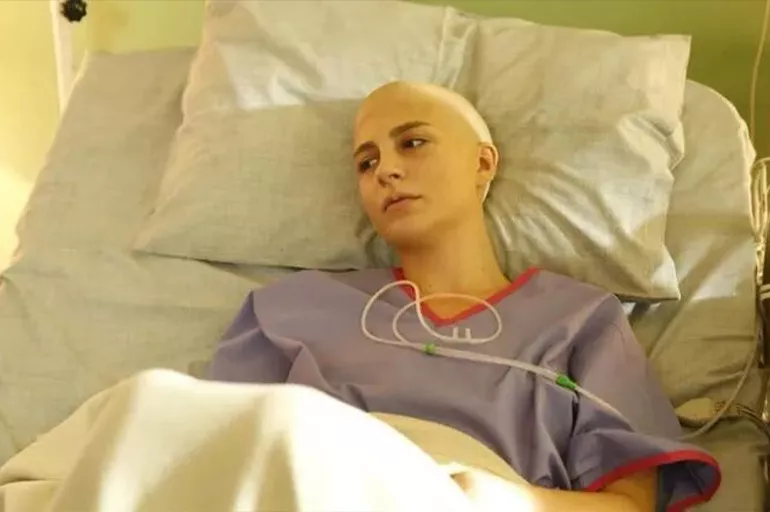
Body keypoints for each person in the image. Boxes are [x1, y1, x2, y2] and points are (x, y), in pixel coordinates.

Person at [208, 81, 721, 511]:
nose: (385, 170)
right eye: (366, 162)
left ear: (483, 163)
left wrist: (510, 502)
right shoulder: (291, 309)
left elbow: (628, 506)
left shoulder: (579, 320)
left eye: (412, 143)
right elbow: (216, 457)